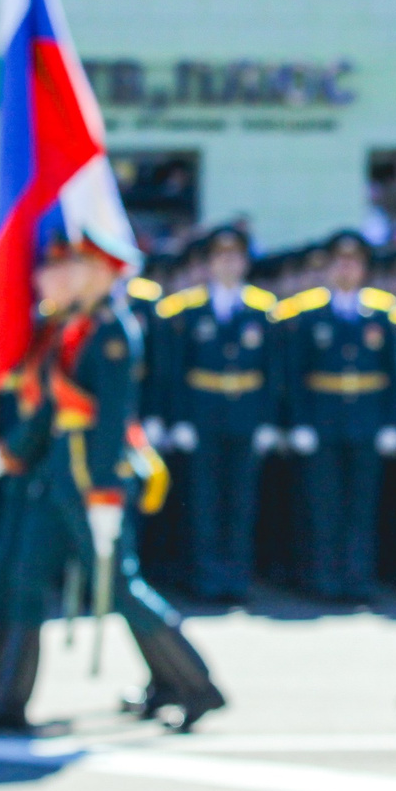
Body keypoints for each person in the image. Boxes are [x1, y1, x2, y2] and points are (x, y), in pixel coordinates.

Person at [0, 232, 224, 735]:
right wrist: (13, 451)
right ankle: (7, 700)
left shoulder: (112, 332)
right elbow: (51, 407)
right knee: (25, 577)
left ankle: (195, 684)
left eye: (61, 268)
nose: (47, 277)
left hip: (92, 480)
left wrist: (105, 493)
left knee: (120, 586)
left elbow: (110, 420)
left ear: (94, 274)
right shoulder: (71, 326)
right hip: (58, 475)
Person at [278, 231, 396, 603]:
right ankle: (325, 579)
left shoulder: (381, 312)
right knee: (324, 505)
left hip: (367, 417)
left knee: (362, 505)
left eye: (354, 262)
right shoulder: (308, 313)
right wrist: (300, 422)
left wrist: (391, 422)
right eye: (340, 261)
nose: (347, 268)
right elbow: (295, 373)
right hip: (323, 418)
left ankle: (358, 579)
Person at [159, 226, 278, 604]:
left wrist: (268, 420)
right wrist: (179, 419)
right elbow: (175, 370)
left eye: (235, 257)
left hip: (246, 413)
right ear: (209, 263)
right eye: (221, 257)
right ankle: (207, 578)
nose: (228, 264)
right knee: (204, 502)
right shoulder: (187, 309)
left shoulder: (263, 308)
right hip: (202, 414)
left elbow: (274, 372)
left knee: (241, 501)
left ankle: (237, 578)